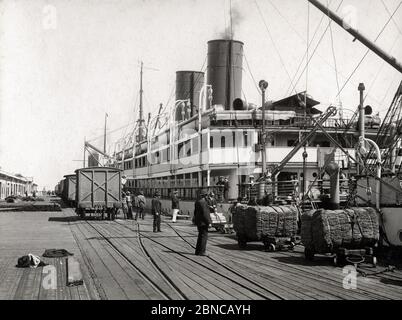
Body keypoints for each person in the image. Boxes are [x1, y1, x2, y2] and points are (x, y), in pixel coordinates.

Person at [193, 190, 212, 256]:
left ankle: (197, 251)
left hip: (199, 222)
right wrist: (209, 222)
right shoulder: (203, 203)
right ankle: (202, 252)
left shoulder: (197, 202)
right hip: (203, 222)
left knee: (200, 236)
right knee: (204, 237)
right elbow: (205, 214)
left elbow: (195, 212)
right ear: (205, 196)